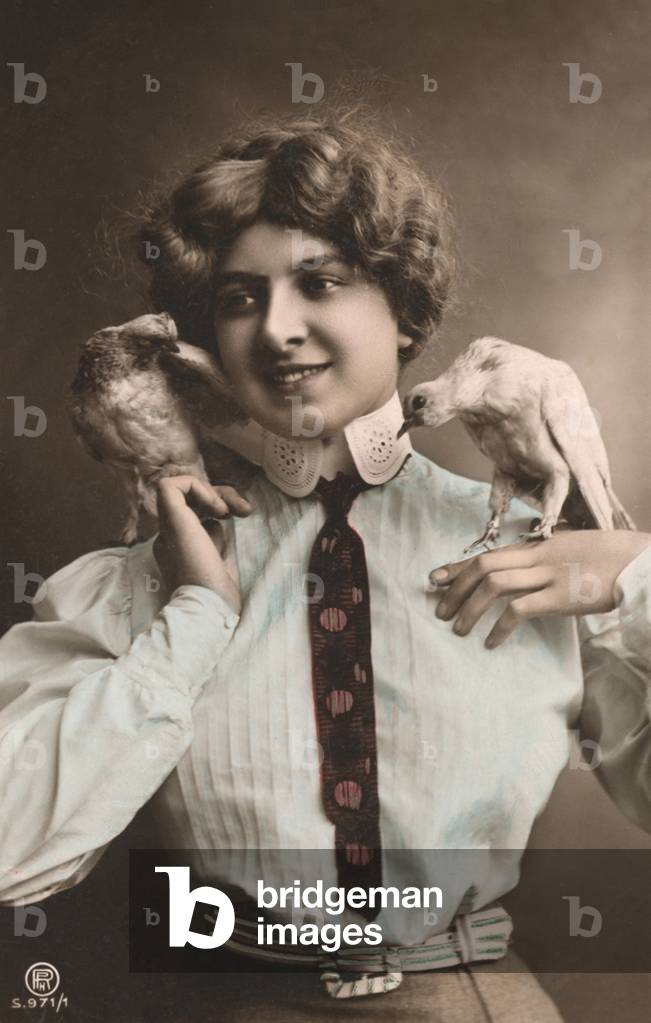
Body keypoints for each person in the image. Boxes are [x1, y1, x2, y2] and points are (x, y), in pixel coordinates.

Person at [1, 109, 651, 1021]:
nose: (277, 330)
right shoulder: (144, 580)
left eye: (321, 282)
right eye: (238, 298)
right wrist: (194, 618)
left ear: (400, 304)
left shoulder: (537, 554)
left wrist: (634, 581)